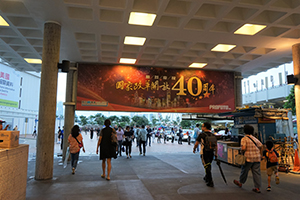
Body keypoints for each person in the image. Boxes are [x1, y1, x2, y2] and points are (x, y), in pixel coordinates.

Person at [233, 124, 263, 193]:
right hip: (256, 158)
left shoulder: (244, 139)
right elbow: (261, 146)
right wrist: (261, 155)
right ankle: (257, 187)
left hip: (248, 158)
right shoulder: (255, 138)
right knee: (256, 173)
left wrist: (241, 151)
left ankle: (240, 182)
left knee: (244, 171)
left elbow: (243, 148)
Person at [193, 122, 218, 187]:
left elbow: (196, 143)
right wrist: (216, 153)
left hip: (204, 153)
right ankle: (206, 177)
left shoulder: (202, 135)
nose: (201, 127)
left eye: (202, 126)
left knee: (206, 166)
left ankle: (210, 181)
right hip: (211, 152)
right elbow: (216, 145)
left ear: (205, 127)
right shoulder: (213, 135)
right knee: (208, 165)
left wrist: (194, 149)